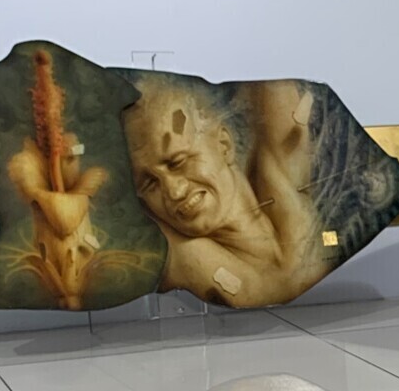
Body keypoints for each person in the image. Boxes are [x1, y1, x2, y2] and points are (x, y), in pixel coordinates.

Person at [123, 77, 330, 306]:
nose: (174, 192)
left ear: (223, 144)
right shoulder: (185, 255)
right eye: (150, 183)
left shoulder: (280, 183)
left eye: (177, 162)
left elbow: (271, 77)